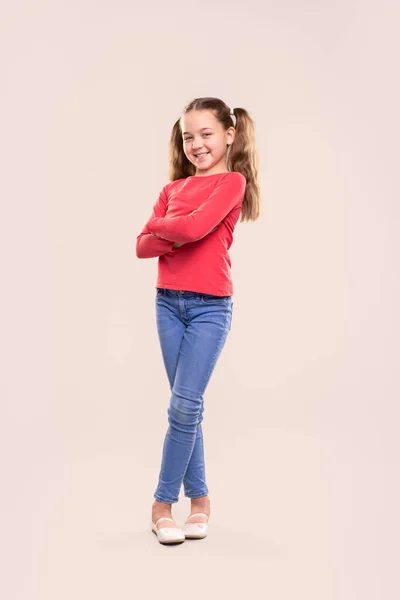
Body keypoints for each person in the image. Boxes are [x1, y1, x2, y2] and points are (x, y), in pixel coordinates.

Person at [136, 97, 261, 544]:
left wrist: (168, 230)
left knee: (184, 407)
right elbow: (140, 245)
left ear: (229, 134)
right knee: (185, 408)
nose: (196, 144)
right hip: (167, 303)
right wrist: (177, 230)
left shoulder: (232, 182)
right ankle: (202, 500)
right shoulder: (173, 189)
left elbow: (180, 232)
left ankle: (162, 504)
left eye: (205, 134)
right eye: (188, 136)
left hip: (210, 307)